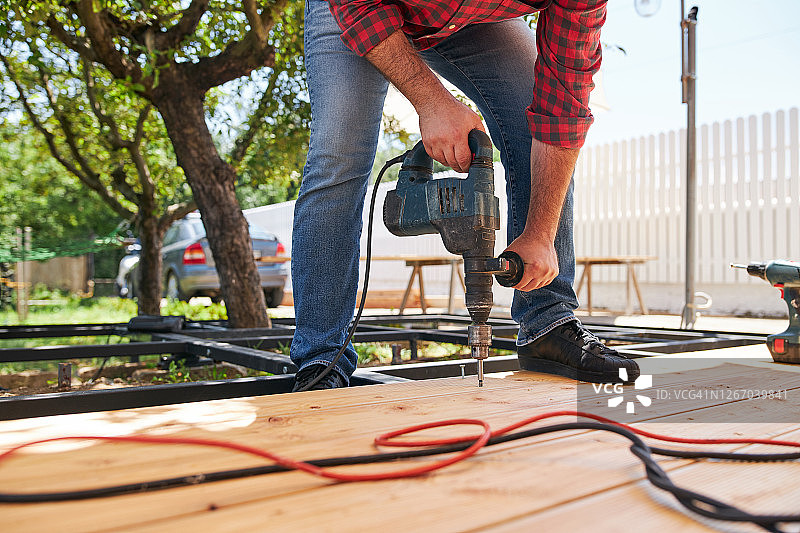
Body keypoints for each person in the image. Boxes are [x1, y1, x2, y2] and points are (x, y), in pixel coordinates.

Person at [290, 0, 640, 390]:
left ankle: (548, 321)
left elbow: (562, 108)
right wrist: (432, 102)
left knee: (532, 118)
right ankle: (322, 358)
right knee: (339, 155)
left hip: (471, 16)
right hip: (357, 8)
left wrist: (540, 234)